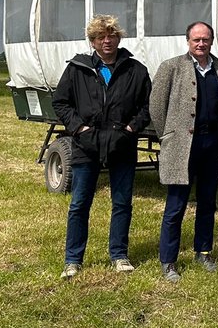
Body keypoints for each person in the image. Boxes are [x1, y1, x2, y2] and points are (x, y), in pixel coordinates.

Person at [52, 15, 151, 278]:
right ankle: (73, 260)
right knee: (80, 203)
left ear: (119, 38)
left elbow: (147, 106)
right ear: (93, 42)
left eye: (111, 35)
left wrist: (131, 129)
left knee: (122, 203)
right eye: (100, 37)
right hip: (87, 145)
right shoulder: (78, 68)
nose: (106, 41)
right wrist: (79, 128)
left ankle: (119, 255)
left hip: (121, 145)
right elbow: (61, 102)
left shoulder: (135, 70)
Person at [149, 21, 218, 282]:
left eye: (206, 40)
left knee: (208, 203)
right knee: (175, 206)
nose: (201, 44)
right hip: (182, 148)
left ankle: (203, 251)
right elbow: (156, 106)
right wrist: (167, 136)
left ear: (212, 42)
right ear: (187, 41)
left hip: (211, 146)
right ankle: (169, 261)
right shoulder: (171, 67)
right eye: (196, 40)